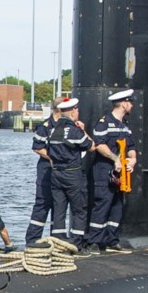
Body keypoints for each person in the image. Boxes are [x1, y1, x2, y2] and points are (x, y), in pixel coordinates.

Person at [87, 89, 138, 250]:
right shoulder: (104, 123)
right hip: (105, 170)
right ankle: (94, 241)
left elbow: (130, 146)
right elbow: (98, 145)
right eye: (130, 103)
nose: (132, 106)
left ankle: (111, 239)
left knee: (117, 205)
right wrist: (115, 159)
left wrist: (133, 160)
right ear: (124, 103)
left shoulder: (125, 126)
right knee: (103, 204)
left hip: (121, 173)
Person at [42, 96, 93, 247]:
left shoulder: (52, 130)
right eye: (77, 109)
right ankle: (76, 243)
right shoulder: (74, 131)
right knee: (79, 209)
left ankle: (58, 240)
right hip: (73, 174)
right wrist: (83, 130)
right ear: (72, 112)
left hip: (56, 174)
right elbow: (90, 146)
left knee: (59, 208)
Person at [25, 107, 59, 241]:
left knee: (59, 204)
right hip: (46, 170)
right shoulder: (45, 126)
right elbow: (37, 147)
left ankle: (57, 238)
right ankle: (33, 239)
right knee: (42, 203)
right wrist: (53, 158)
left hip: (62, 171)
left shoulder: (69, 126)